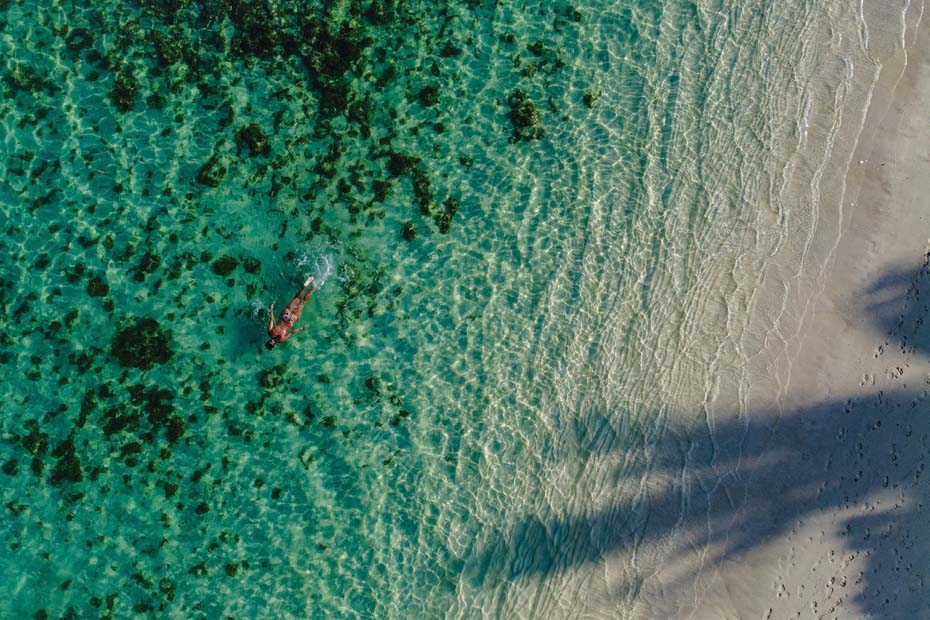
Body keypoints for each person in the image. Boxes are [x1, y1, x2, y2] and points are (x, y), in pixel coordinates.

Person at [266, 277, 316, 350]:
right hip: (285, 315)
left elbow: (292, 333)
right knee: (297, 298)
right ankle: (305, 286)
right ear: (268, 340)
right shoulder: (270, 332)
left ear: (274, 345)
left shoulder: (282, 340)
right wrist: (271, 308)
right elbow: (271, 319)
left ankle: (313, 288)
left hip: (292, 320)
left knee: (303, 302)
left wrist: (302, 328)